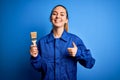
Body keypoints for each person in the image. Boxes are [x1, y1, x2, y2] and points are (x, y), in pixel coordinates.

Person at [30, 5, 95, 80]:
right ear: (51, 18)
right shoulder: (42, 42)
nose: (58, 16)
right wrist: (35, 57)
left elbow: (90, 63)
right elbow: (39, 68)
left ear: (66, 20)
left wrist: (78, 53)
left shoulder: (75, 40)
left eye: (62, 14)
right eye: (54, 14)